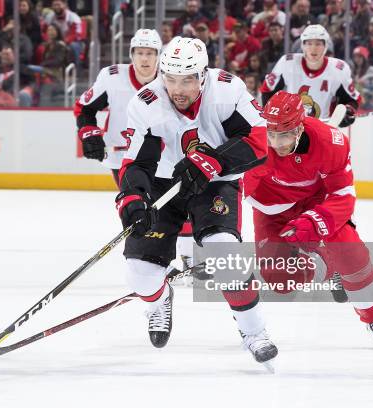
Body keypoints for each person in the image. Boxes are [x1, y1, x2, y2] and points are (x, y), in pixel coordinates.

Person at [115, 36, 277, 367]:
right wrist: (132, 199)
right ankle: (159, 299)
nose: (178, 88)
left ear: (202, 75)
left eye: (187, 79)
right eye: (171, 78)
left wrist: (212, 161)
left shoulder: (227, 90)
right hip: (164, 185)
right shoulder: (145, 103)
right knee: (139, 274)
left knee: (225, 254)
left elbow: (259, 142)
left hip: (216, 181)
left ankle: (254, 331)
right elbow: (137, 164)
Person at [244, 91, 373, 349]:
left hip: (314, 201)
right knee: (278, 279)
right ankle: (327, 266)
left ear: (299, 128)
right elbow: (234, 188)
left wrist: (314, 222)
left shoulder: (331, 142)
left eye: (283, 135)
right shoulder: (254, 141)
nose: (276, 143)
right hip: (270, 208)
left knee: (350, 251)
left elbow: (343, 195)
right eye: (271, 134)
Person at [74, 29, 161, 186]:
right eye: (139, 53)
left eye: (150, 53)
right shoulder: (112, 77)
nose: (144, 59)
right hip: (121, 157)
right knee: (135, 205)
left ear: (158, 55)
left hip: (162, 157)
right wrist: (89, 134)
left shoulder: (170, 79)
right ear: (131, 55)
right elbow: (84, 108)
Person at [260, 24, 360, 127]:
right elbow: (267, 89)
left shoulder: (338, 69)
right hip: (291, 128)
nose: (313, 48)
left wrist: (347, 112)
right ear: (303, 45)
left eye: (318, 44)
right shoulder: (287, 63)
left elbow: (352, 99)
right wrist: (271, 116)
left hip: (323, 128)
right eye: (309, 43)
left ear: (325, 46)